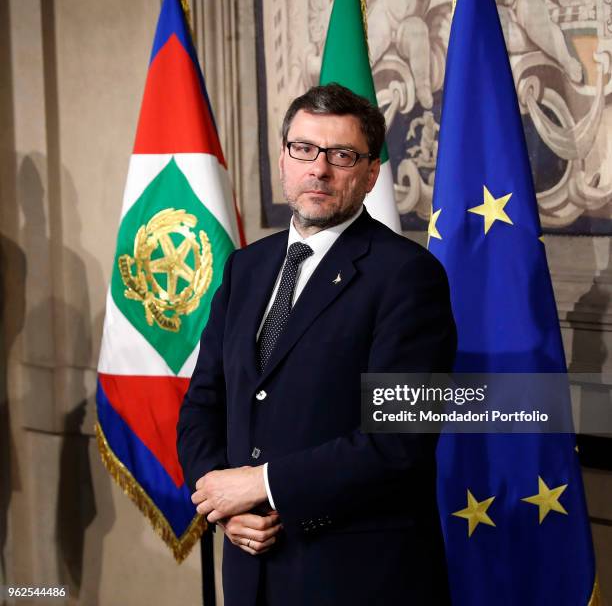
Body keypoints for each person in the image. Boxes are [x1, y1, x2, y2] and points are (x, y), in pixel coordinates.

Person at [177, 83, 456, 606]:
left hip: (354, 577)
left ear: (371, 173)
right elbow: (203, 404)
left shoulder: (409, 276)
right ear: (283, 158)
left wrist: (261, 483)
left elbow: (400, 443)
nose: (319, 169)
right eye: (303, 149)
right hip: (249, 571)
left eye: (342, 155)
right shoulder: (246, 267)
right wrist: (223, 501)